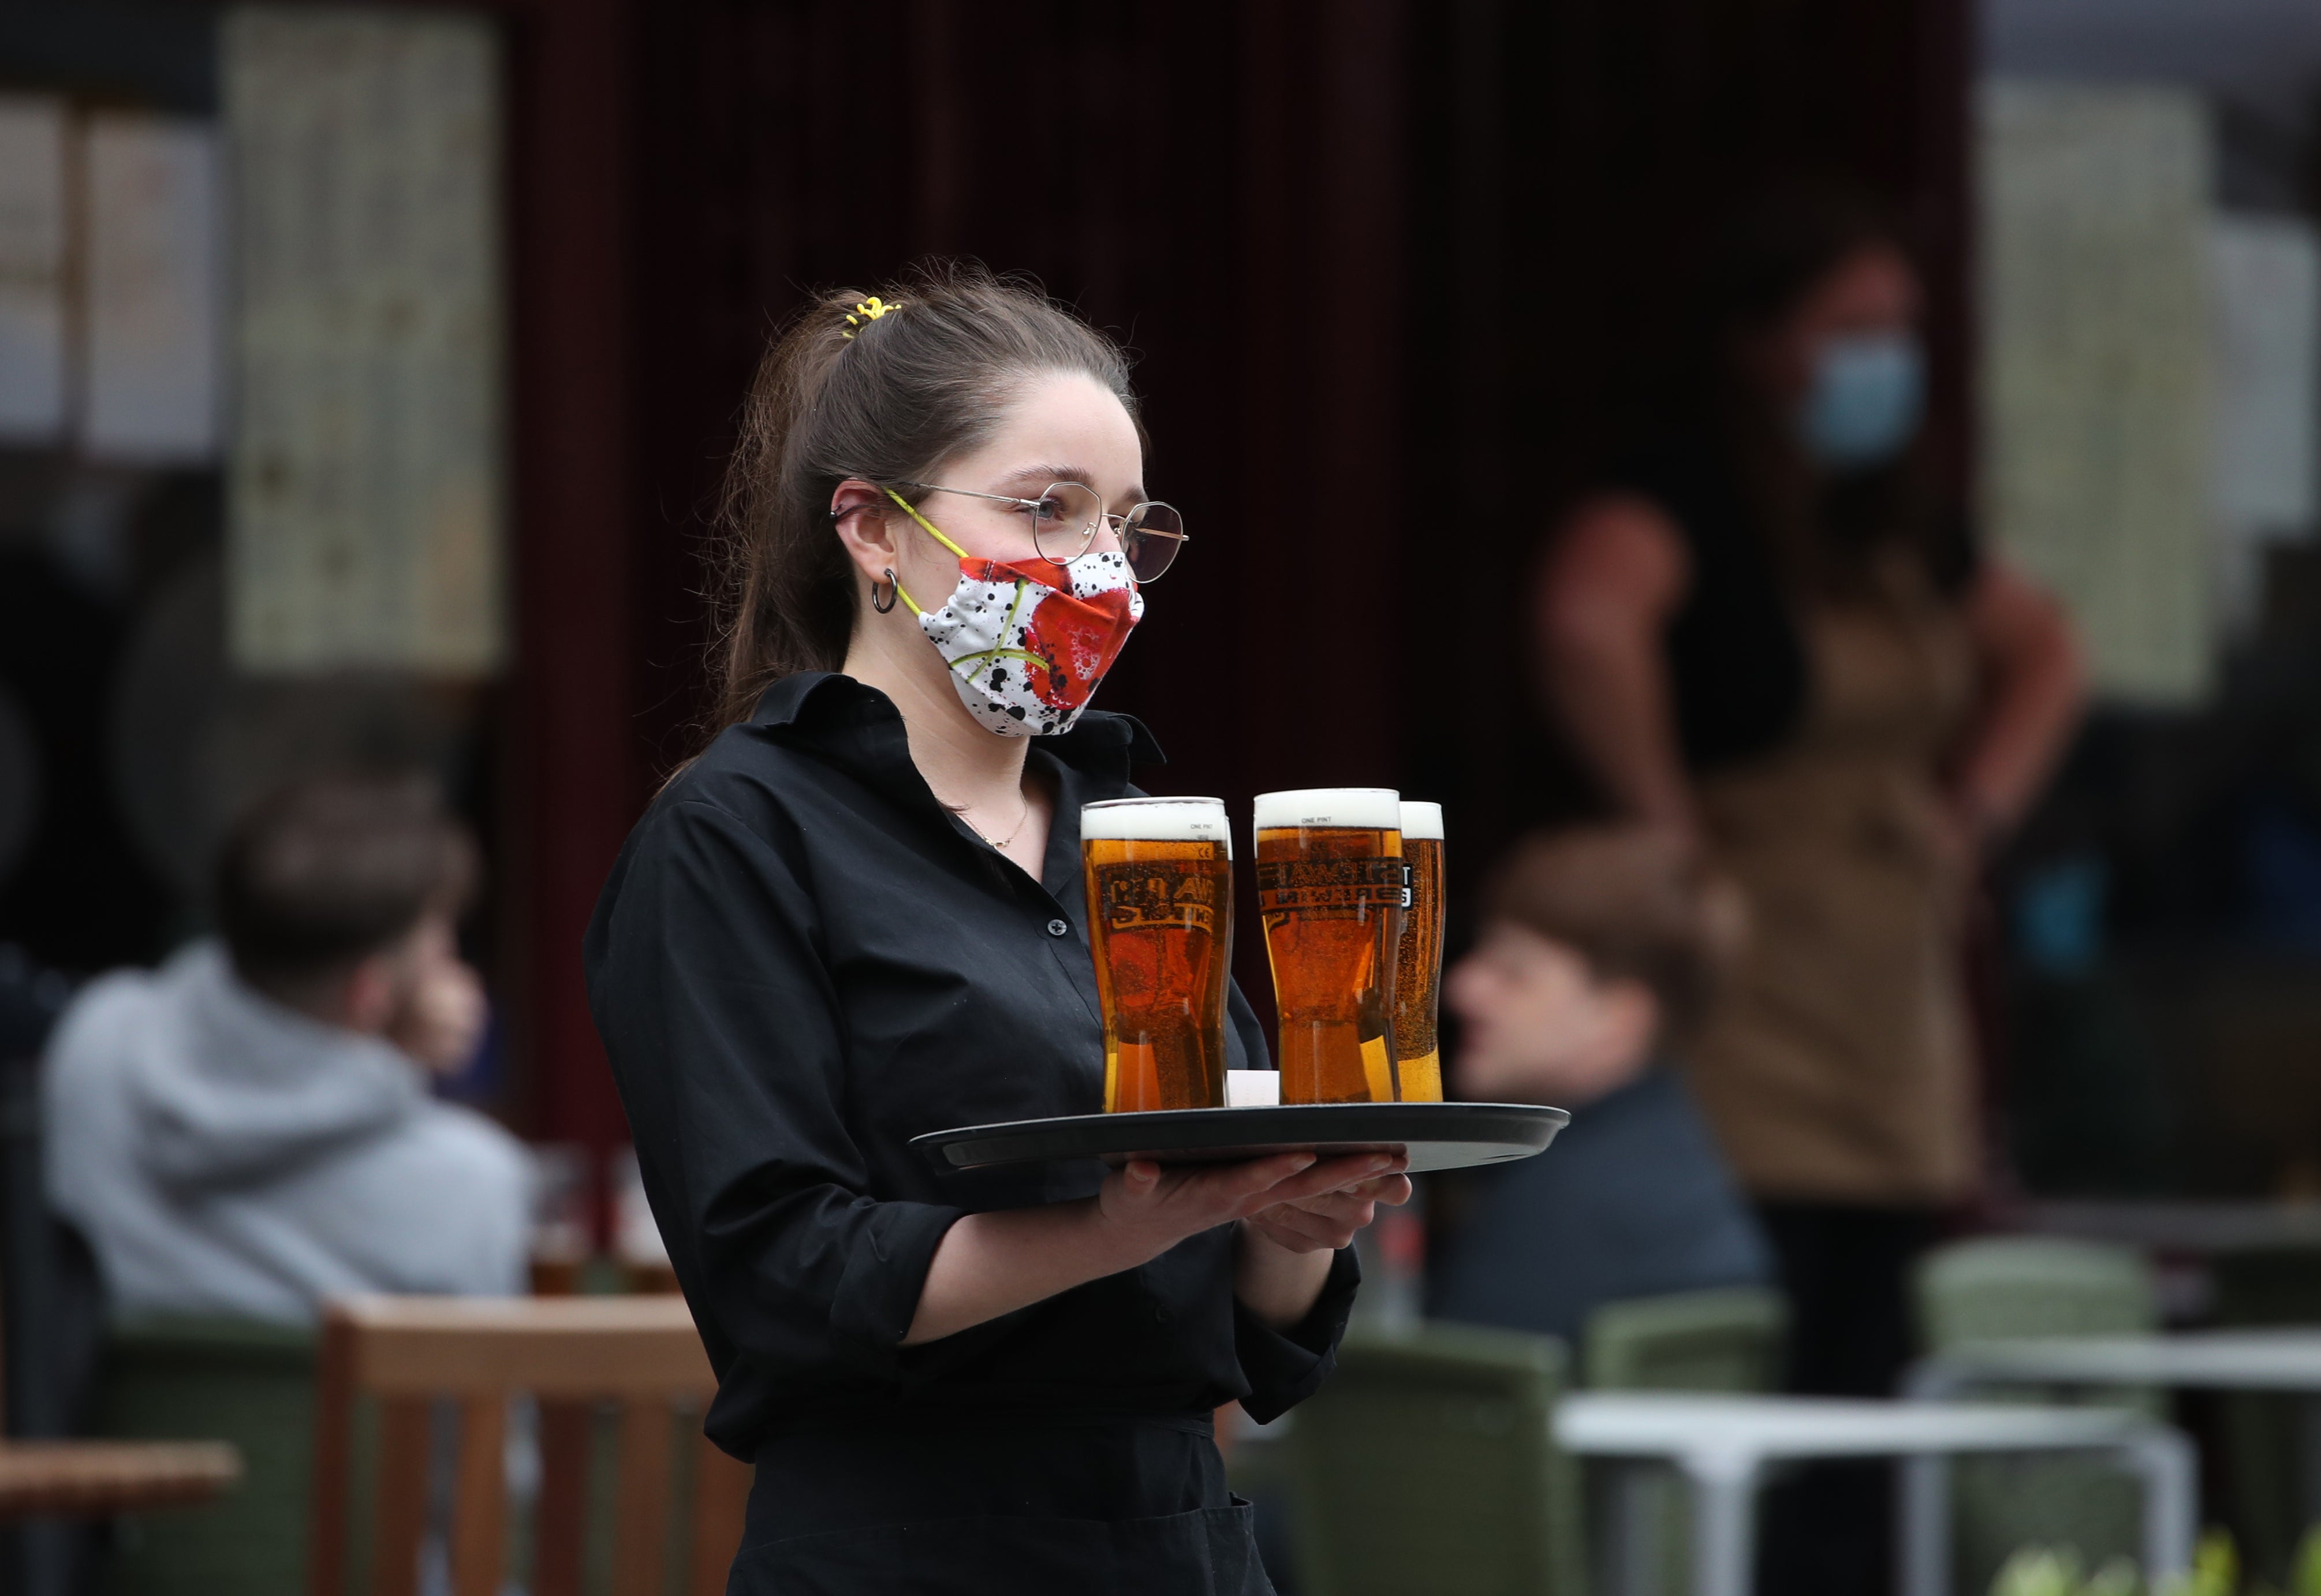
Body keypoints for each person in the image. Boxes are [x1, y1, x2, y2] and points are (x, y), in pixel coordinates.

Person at [584, 266, 1408, 1595]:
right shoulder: (737, 833)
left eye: (1128, 526)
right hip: (907, 1543)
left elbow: (1257, 1339)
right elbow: (782, 1277)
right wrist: (1120, 1226)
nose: (1097, 564)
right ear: (874, 530)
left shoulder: (1136, 824)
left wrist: (1294, 1217)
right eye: (1047, 506)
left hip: (1180, 1539)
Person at [1535, 184, 2084, 1591]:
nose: (1881, 359)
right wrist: (1666, 823)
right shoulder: (1682, 504)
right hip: (1750, 1006)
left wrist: (1974, 813)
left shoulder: (1899, 524)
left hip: (1892, 998)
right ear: (1758, 341)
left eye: (1899, 329)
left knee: (1875, 1376)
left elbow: (2048, 649)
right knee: (1759, 1366)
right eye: (1850, 328)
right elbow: (1585, 619)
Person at [43, 773, 529, 1325]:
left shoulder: (94, 1046)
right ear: (368, 993)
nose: (453, 962)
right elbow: (484, 1408)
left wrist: (379, 1054)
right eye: (441, 938)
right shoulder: (468, 1181)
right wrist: (389, 1064)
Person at [1428, 825, 1771, 1344]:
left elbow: (1441, 1406)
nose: (1463, 989)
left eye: (1513, 972)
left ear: (1619, 1017)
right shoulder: (1672, 1165)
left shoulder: (1559, 1213)